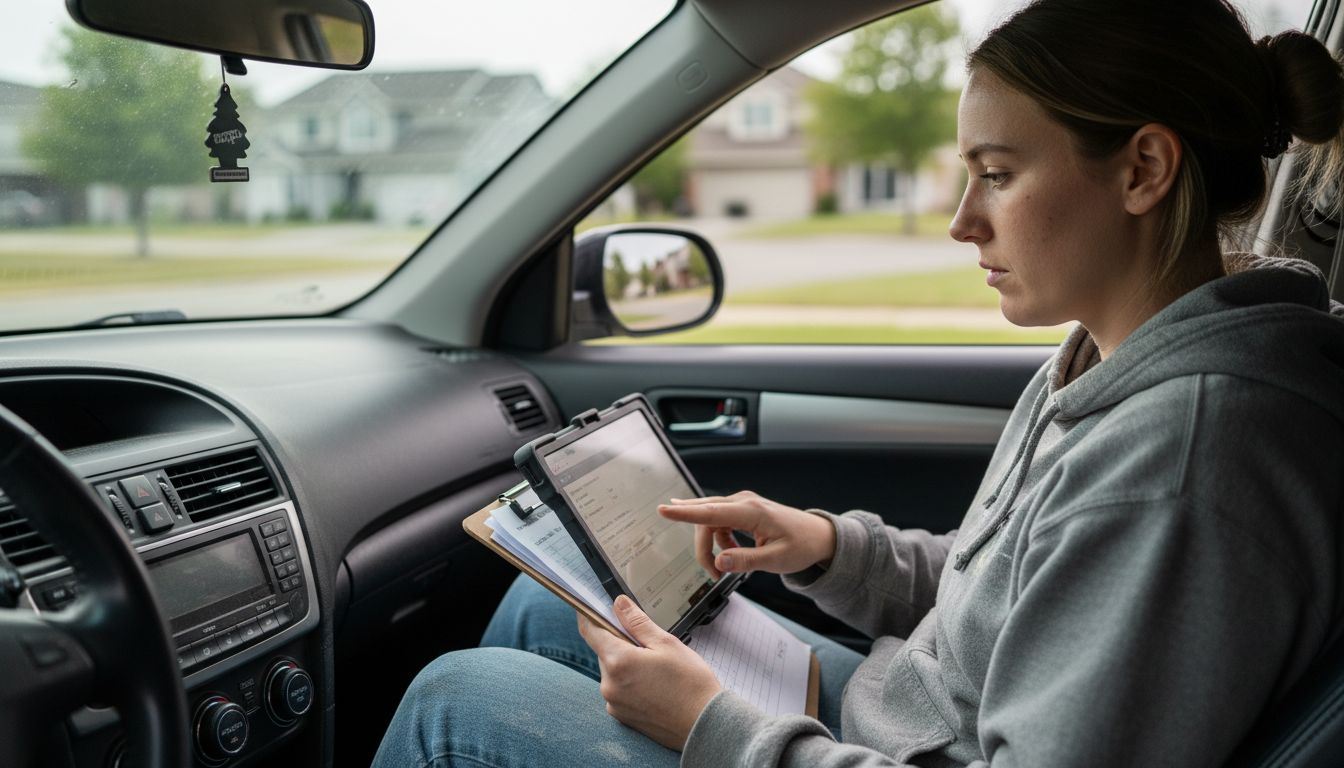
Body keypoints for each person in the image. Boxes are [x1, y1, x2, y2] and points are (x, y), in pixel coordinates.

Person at [373, 0, 1344, 765]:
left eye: (998, 173)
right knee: (559, 602)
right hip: (907, 722)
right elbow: (1007, 595)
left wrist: (714, 728)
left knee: (454, 703)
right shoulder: (1112, 362)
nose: (963, 222)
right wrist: (826, 548)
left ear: (1143, 169)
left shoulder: (1184, 459)